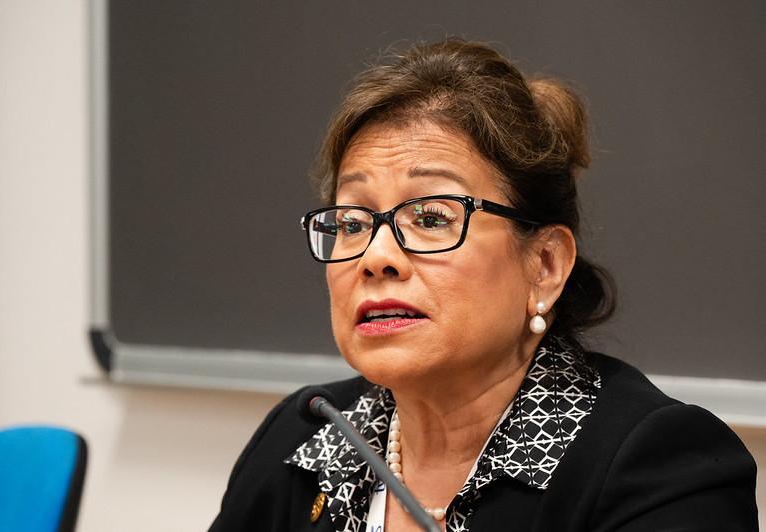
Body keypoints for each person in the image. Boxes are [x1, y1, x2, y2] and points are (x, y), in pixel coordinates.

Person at [209, 39, 757, 532]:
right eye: (352, 223)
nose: (376, 257)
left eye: (430, 218)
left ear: (544, 264)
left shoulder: (657, 468)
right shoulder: (307, 438)